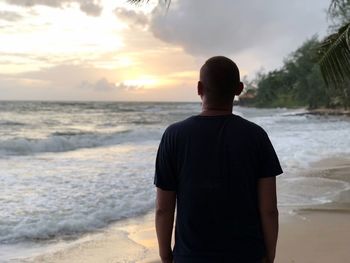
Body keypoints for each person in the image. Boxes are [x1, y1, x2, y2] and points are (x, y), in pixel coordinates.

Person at [154, 56, 283, 263]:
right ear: (239, 89)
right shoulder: (256, 136)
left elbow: (163, 208)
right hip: (247, 255)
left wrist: (165, 255)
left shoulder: (174, 135)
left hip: (190, 257)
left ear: (199, 88)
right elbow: (269, 209)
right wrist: (269, 255)